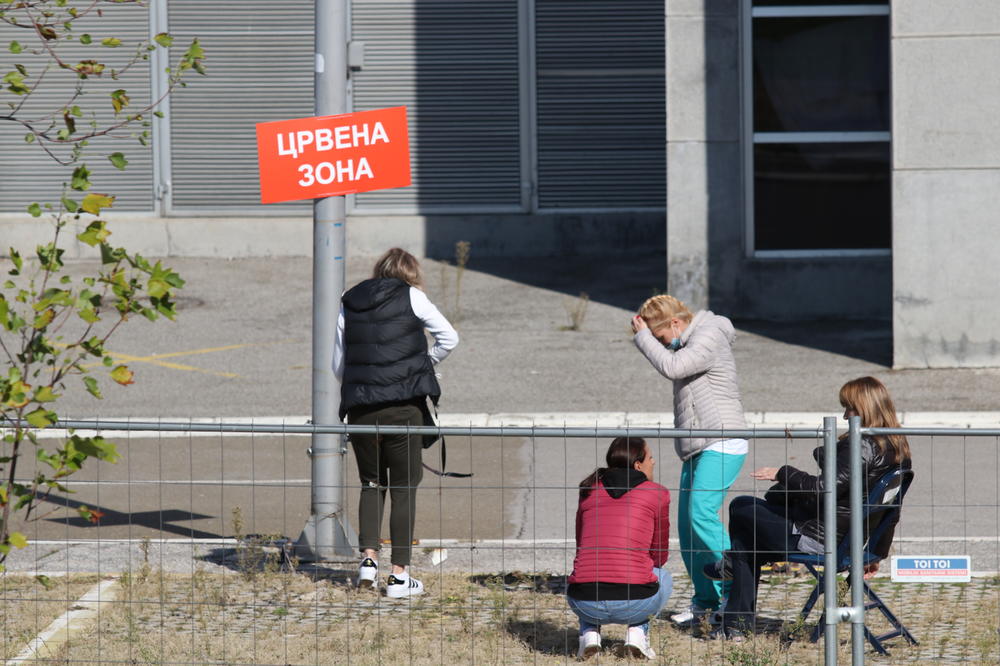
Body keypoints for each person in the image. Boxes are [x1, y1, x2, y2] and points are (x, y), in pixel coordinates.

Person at [704, 376, 913, 640]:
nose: (845, 414)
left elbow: (825, 487)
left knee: (742, 507)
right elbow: (892, 513)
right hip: (850, 540)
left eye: (849, 408)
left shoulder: (861, 444)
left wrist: (782, 472)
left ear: (864, 409)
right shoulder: (897, 447)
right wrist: (874, 553)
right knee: (751, 539)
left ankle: (734, 595)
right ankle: (735, 621)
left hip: (822, 538)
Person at [334, 247, 458, 598]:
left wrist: (362, 383)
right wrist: (423, 364)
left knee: (371, 484)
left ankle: (368, 562)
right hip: (403, 408)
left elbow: (336, 363)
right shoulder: (413, 297)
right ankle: (400, 576)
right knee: (404, 488)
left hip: (361, 408)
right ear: (412, 273)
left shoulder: (349, 299)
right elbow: (450, 338)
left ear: (378, 271)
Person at [630, 295, 747, 626]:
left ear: (675, 324)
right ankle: (705, 602)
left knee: (701, 516)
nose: (664, 346)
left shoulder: (709, 335)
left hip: (723, 441)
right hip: (698, 445)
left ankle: (735, 594)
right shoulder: (690, 339)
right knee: (688, 529)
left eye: (662, 338)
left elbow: (673, 367)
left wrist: (642, 338)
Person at [566, 437, 672, 661]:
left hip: (584, 602)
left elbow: (580, 542)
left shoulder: (588, 488)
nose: (653, 462)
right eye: (650, 457)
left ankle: (589, 632)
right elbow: (659, 554)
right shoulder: (657, 493)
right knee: (663, 576)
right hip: (635, 602)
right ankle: (637, 632)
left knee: (589, 570)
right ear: (638, 465)